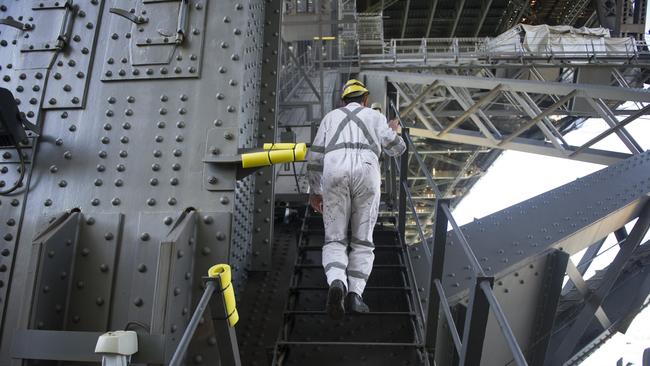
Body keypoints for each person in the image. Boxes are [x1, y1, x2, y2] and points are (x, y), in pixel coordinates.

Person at [306, 79, 406, 320]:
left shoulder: (330, 118)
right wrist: (394, 131)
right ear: (365, 100)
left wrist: (315, 191)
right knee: (362, 241)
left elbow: (315, 159)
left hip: (334, 174)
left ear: (343, 101)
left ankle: (337, 283)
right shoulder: (375, 117)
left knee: (335, 239)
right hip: (367, 174)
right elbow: (397, 148)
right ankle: (355, 295)